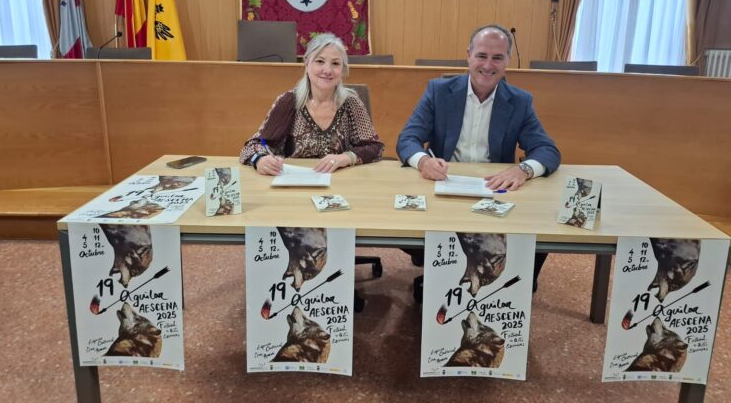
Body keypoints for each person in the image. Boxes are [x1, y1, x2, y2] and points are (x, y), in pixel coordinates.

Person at [396, 24, 560, 293]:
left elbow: (547, 150)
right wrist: (423, 162)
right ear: (468, 56)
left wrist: (523, 170)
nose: (488, 65)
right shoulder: (439, 91)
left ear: (507, 61)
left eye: (498, 58)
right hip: (445, 188)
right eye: (482, 56)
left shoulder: (519, 101)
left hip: (492, 191)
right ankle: (448, 276)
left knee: (541, 230)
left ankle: (512, 286)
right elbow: (407, 139)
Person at [240, 33, 384, 173]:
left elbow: (375, 148)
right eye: (320, 61)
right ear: (307, 63)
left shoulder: (351, 103)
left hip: (340, 184)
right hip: (295, 184)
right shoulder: (289, 101)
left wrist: (345, 158)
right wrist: (259, 159)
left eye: (335, 63)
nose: (327, 70)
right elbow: (253, 145)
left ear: (342, 70)